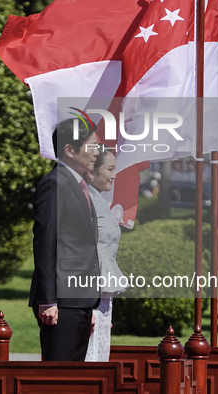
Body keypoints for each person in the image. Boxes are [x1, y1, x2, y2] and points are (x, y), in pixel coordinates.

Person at [29, 118, 101, 361]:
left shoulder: (79, 184)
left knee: (76, 379)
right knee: (58, 377)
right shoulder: (55, 184)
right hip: (60, 302)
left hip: (78, 300)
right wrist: (48, 300)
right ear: (69, 150)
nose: (96, 153)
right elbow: (45, 243)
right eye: (91, 146)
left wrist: (88, 304)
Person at [84, 147, 129, 362]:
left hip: (103, 294)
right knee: (90, 358)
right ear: (92, 172)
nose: (114, 174)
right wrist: (87, 306)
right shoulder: (86, 201)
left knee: (99, 357)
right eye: (110, 169)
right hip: (90, 293)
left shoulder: (100, 200)